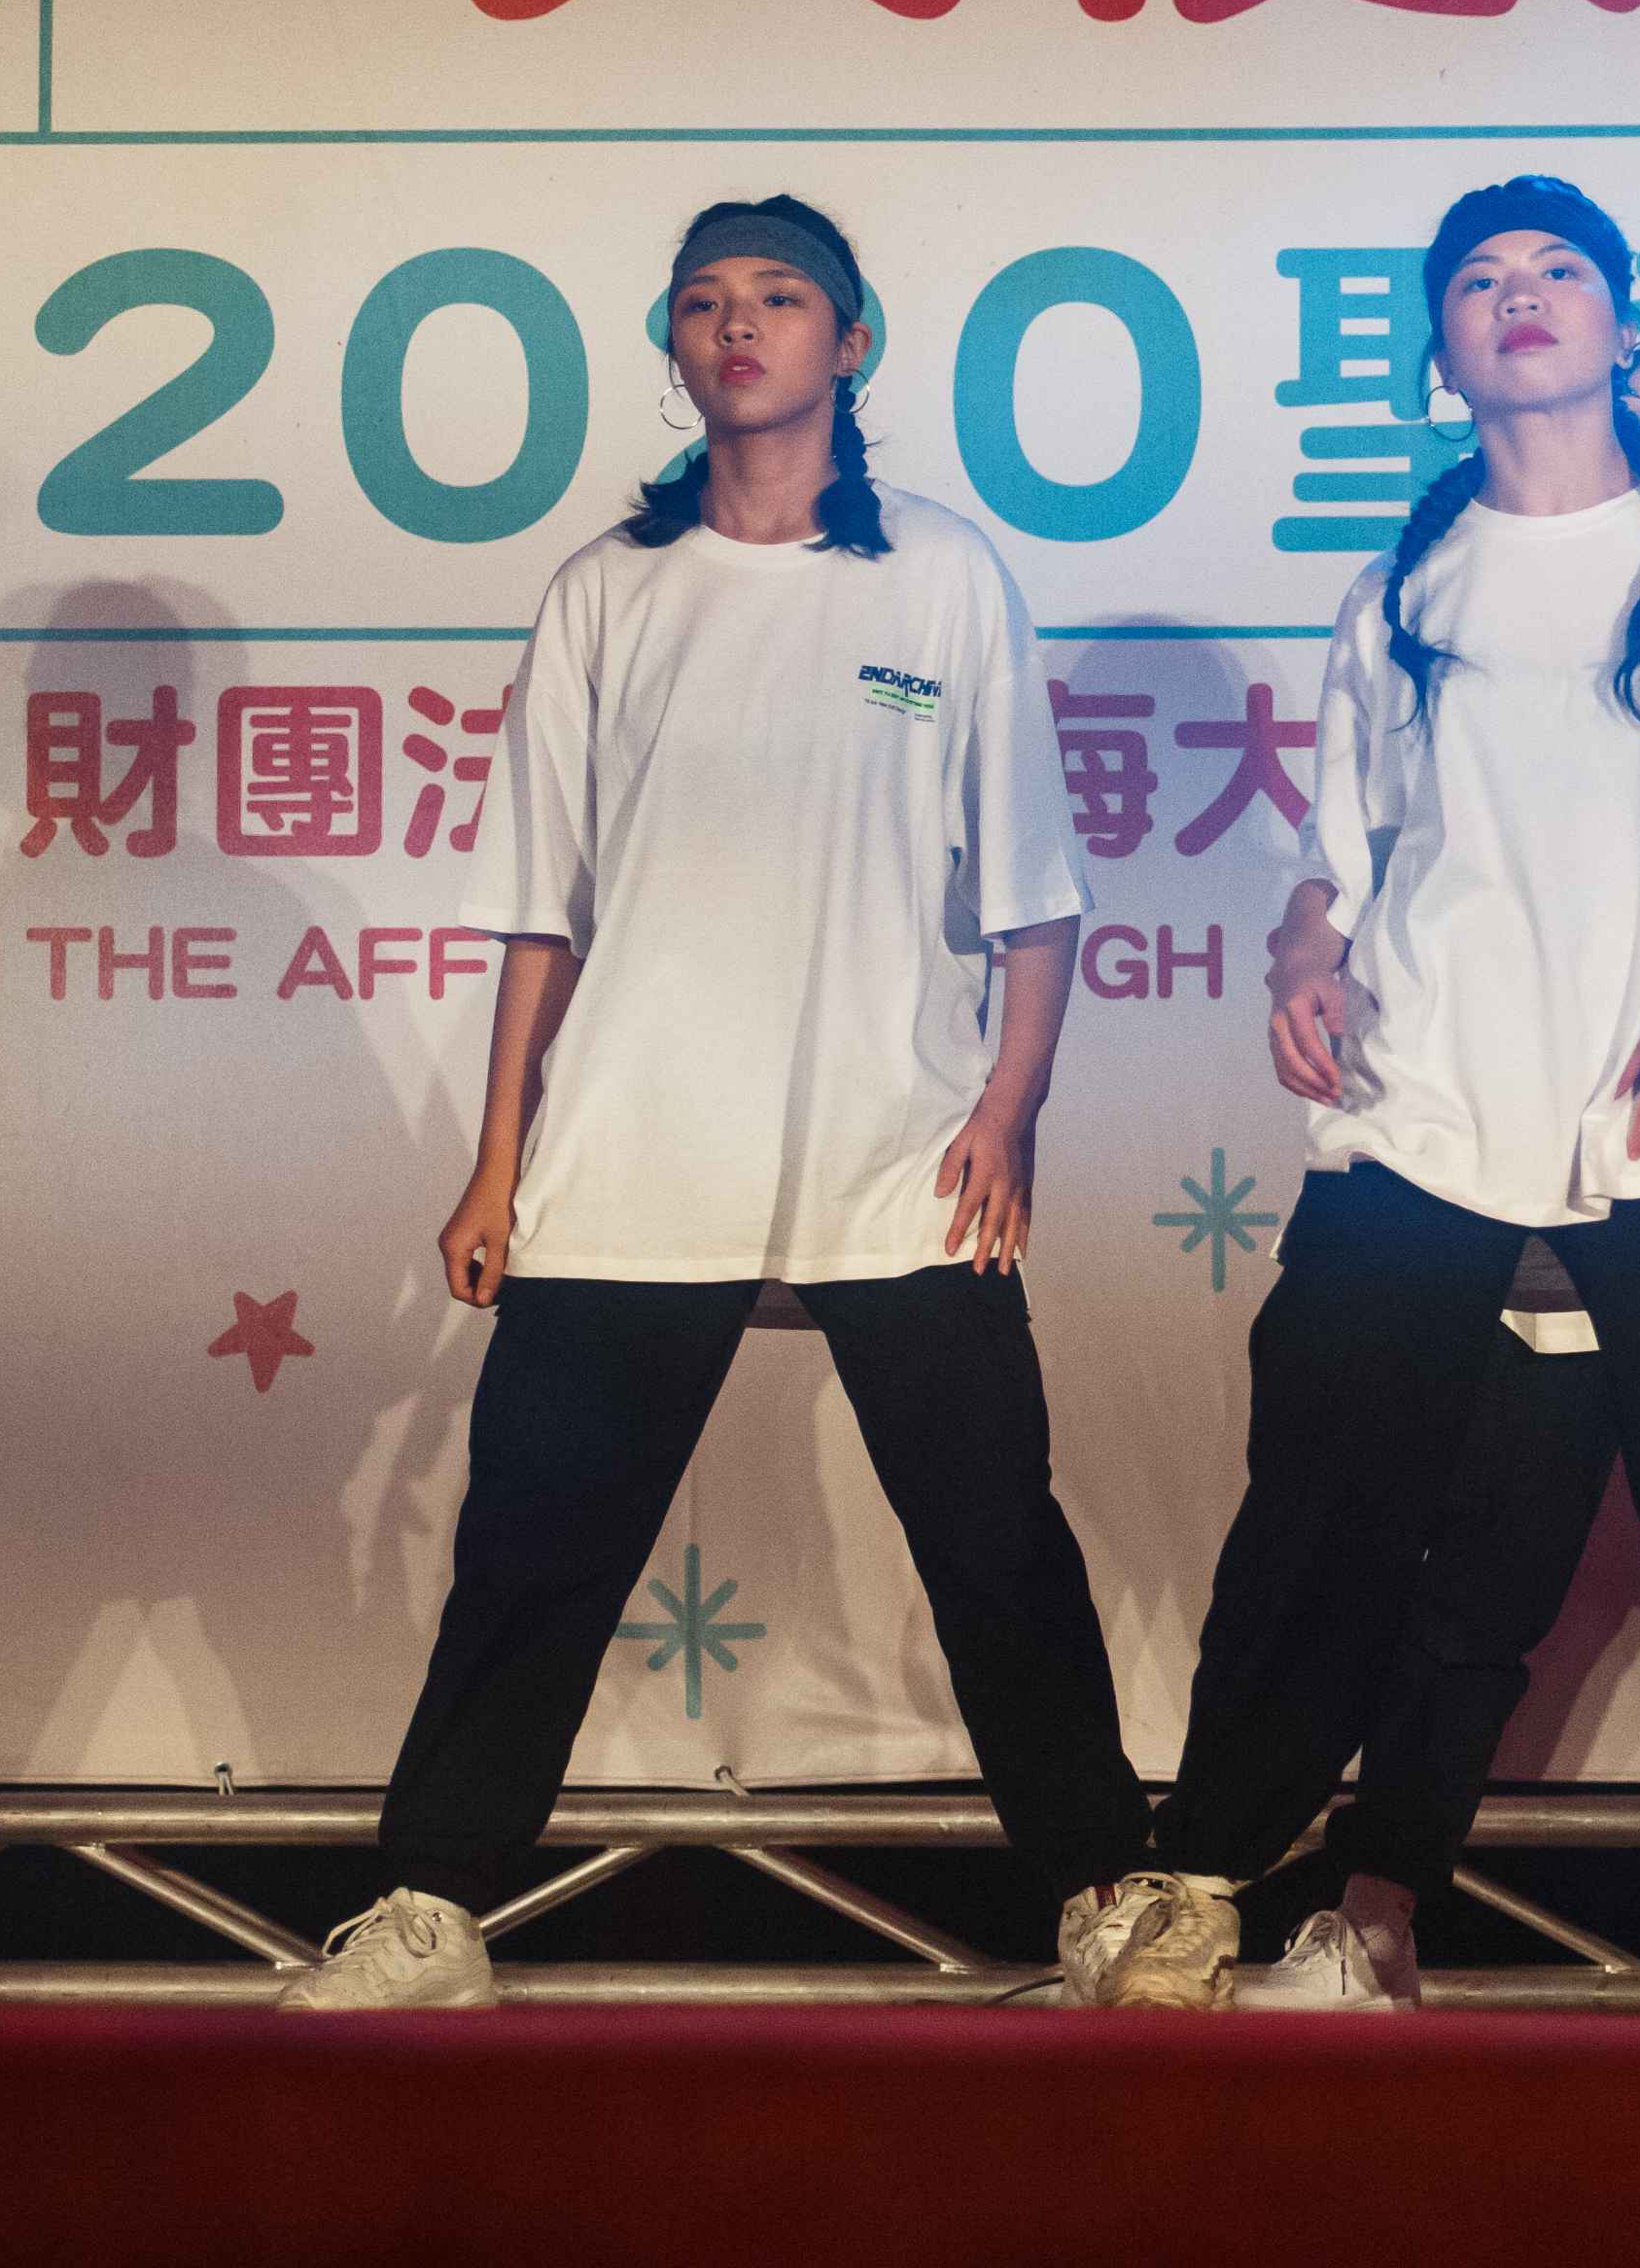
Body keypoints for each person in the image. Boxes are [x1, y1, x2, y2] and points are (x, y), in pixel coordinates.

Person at [1062, 177, 1640, 2011]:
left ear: (1619, 325)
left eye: (1559, 271)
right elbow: (1340, 864)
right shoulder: (1398, 591)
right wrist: (1305, 960)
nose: (1522, 296)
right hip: (1422, 1112)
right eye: (1481, 280)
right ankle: (1198, 1884)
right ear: (1442, 351)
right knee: (1319, 1514)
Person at [283, 196, 1149, 2007]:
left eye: (779, 297)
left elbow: (1035, 894)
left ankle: (1102, 1894)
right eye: (703, 303)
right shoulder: (611, 587)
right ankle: (434, 1907)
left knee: (995, 1539)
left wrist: (1010, 1107)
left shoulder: (943, 577)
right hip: (631, 1148)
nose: (738, 326)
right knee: (532, 1549)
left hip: (898, 1145)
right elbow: (543, 907)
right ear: (673, 347)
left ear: (853, 341)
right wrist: (500, 1164)